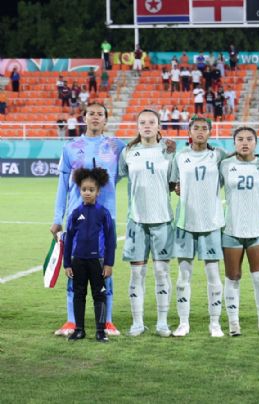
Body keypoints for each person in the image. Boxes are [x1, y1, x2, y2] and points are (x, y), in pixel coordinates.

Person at [51, 102, 124, 337]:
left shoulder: (117, 146)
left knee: (105, 269)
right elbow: (62, 185)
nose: (95, 117)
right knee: (74, 270)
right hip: (77, 218)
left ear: (106, 120)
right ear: (84, 118)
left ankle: (108, 321)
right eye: (91, 113)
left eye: (100, 114)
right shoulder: (70, 147)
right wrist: (57, 217)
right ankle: (73, 321)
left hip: (105, 218)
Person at [118, 110, 175, 337]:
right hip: (137, 222)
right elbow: (123, 177)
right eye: (142, 122)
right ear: (137, 125)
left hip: (163, 220)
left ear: (159, 125)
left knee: (162, 273)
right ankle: (137, 322)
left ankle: (162, 322)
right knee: (136, 275)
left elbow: (173, 183)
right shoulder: (129, 152)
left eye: (152, 122)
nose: (147, 125)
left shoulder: (168, 151)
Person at [170, 117, 227, 337]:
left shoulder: (218, 155)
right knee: (184, 275)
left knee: (213, 274)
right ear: (190, 132)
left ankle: (215, 324)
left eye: (205, 128)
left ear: (210, 133)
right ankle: (183, 323)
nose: (200, 131)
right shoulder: (180, 156)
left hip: (211, 222)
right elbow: (175, 184)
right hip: (185, 222)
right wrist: (177, 187)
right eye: (196, 128)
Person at [220, 127, 259, 336]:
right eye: (240, 139)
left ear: (256, 142)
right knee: (232, 277)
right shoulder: (225, 165)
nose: (245, 143)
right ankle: (234, 324)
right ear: (234, 142)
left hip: (257, 230)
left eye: (249, 139)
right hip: (231, 230)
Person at [63, 167, 116, 342]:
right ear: (80, 190)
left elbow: (110, 240)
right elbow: (68, 239)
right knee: (79, 294)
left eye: (91, 190)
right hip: (78, 261)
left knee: (99, 295)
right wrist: (67, 264)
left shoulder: (103, 213)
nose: (87, 193)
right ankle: (79, 329)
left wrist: (108, 263)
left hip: (97, 262)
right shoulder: (75, 214)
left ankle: (101, 330)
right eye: (84, 189)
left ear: (98, 192)